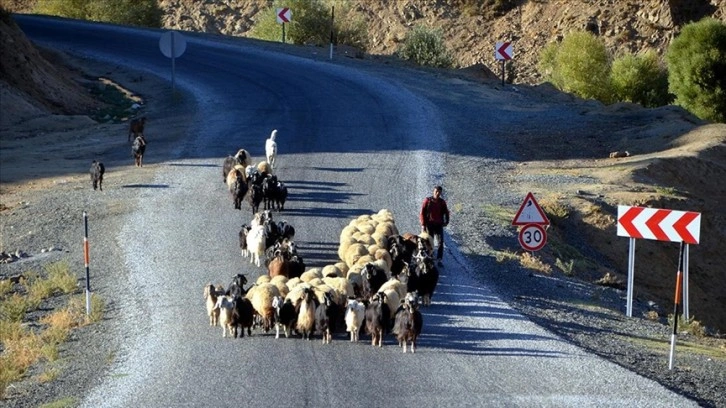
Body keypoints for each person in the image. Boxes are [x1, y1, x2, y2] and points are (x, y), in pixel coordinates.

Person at [419, 185, 450, 264]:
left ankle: (439, 259)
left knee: (440, 242)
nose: (437, 193)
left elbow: (446, 212)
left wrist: (447, 221)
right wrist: (423, 225)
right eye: (436, 191)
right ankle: (430, 257)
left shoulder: (442, 202)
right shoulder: (428, 201)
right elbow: (422, 213)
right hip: (429, 225)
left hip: (438, 225)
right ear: (433, 191)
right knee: (430, 242)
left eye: (439, 192)